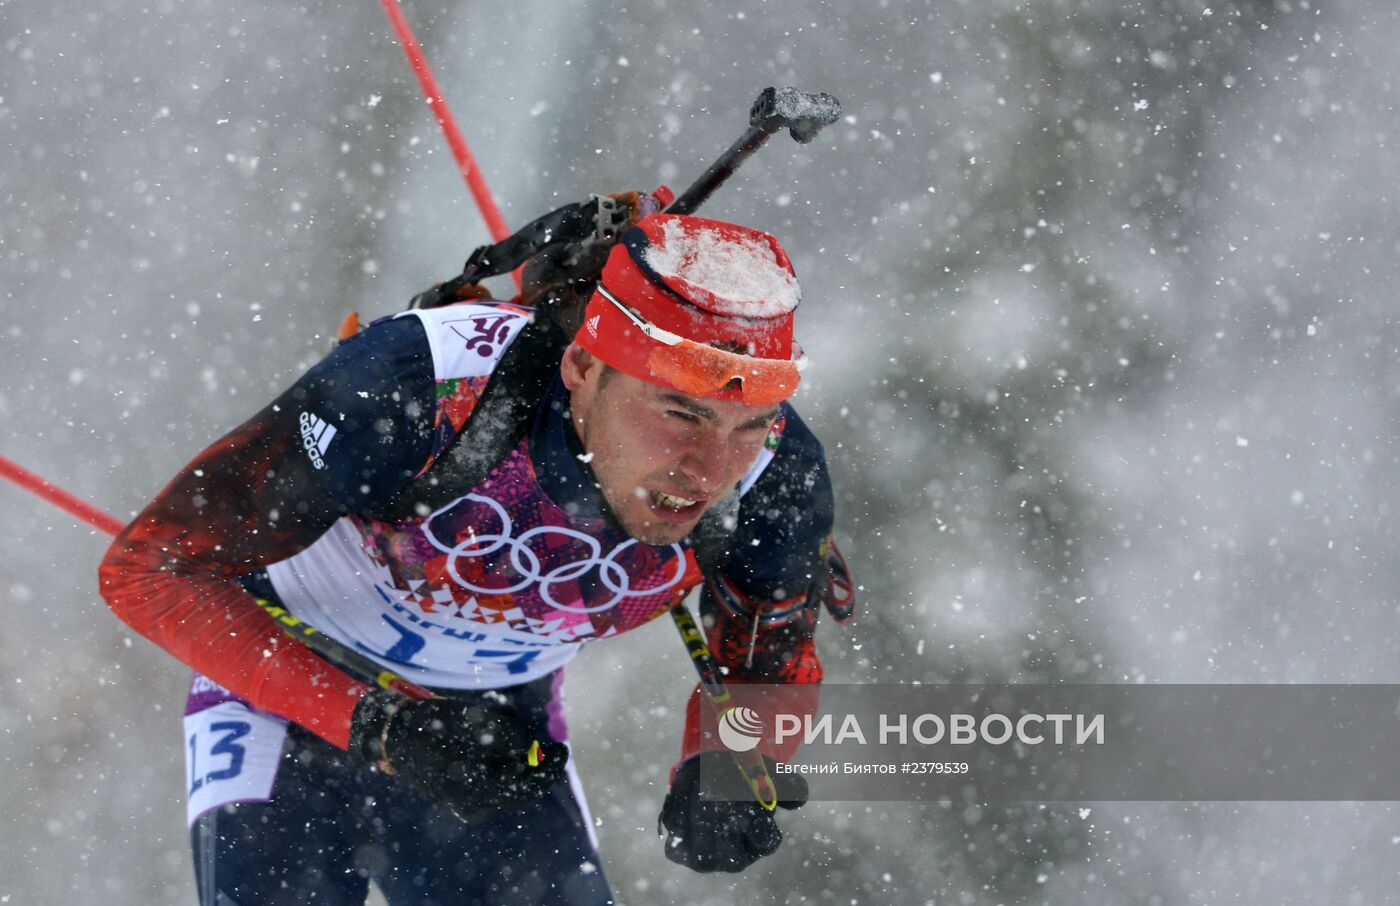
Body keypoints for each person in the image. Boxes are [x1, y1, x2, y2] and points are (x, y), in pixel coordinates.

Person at [99, 192, 851, 905]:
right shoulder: (417, 386)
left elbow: (765, 665)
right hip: (284, 695)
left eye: (747, 423)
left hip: (495, 737)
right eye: (679, 413)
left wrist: (728, 764)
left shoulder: (776, 476)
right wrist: (377, 726)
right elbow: (148, 571)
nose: (708, 470)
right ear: (583, 371)